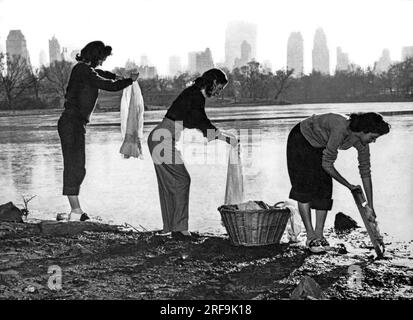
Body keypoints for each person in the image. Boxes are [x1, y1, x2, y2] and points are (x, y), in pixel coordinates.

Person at [147, 68, 238, 240]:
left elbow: (201, 123)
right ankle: (180, 230)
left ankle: (173, 228)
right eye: (219, 88)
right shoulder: (195, 96)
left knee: (171, 184)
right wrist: (227, 139)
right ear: (213, 82)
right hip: (163, 139)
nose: (219, 92)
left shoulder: (193, 94)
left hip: (161, 138)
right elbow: (204, 124)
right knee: (182, 180)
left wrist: (224, 135)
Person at [57, 41, 138, 221]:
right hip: (71, 124)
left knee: (78, 167)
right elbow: (108, 85)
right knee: (74, 166)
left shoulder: (84, 70)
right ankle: (76, 211)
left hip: (75, 124)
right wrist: (128, 81)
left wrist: (118, 76)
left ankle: (75, 210)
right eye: (102, 58)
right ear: (95, 56)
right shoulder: (83, 70)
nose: (102, 62)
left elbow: (104, 75)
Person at [286, 112, 390, 253]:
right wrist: (349, 186)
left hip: (319, 143)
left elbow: (365, 172)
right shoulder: (340, 129)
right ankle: (310, 237)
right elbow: (328, 164)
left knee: (325, 187)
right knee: (304, 187)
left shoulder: (362, 142)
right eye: (372, 137)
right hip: (301, 138)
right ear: (363, 130)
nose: (373, 141)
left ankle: (319, 234)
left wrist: (370, 206)